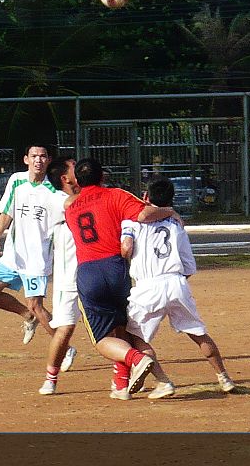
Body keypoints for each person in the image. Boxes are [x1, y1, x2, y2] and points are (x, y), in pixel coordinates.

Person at [63, 157, 184, 401]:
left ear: (77, 181)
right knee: (123, 328)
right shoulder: (116, 195)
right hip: (117, 268)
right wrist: (169, 211)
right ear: (102, 177)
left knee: (102, 339)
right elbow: (144, 214)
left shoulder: (70, 207)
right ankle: (122, 385)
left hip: (89, 271)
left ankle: (136, 359)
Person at [120, 177, 238, 399]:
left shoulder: (132, 222)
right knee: (198, 332)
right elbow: (189, 266)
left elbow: (126, 249)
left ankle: (163, 381)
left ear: (145, 197)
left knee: (135, 337)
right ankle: (224, 377)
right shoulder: (177, 225)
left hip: (147, 285)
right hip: (176, 282)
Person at [0, 144, 60, 346]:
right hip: (13, 254)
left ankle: (65, 347)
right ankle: (28, 317)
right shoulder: (16, 180)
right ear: (26, 159)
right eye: (34, 156)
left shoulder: (55, 190)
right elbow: (7, 212)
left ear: (49, 160)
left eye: (43, 156)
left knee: (36, 305)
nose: (38, 160)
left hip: (37, 259)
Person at [38, 158, 81, 395]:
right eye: (74, 167)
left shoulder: (84, 195)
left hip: (94, 272)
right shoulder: (56, 198)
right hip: (69, 278)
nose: (79, 168)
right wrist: (99, 192)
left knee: (113, 326)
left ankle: (123, 376)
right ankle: (50, 378)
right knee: (65, 329)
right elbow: (72, 203)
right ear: (65, 178)